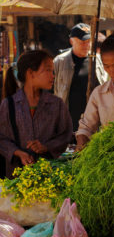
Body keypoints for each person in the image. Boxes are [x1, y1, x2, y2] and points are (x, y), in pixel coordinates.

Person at [0, 50, 72, 178]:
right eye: (48, 70)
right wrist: (18, 153)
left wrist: (46, 146)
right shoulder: (9, 104)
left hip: (49, 177)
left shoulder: (57, 104)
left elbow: (65, 135)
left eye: (53, 71)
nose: (53, 75)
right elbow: (2, 138)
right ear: (31, 73)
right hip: (17, 179)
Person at [53, 23, 108, 131]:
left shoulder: (98, 60)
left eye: (88, 42)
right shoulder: (60, 61)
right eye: (82, 42)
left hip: (95, 117)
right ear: (71, 41)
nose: (86, 45)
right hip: (70, 119)